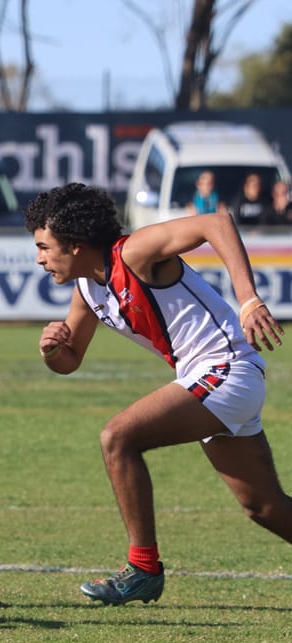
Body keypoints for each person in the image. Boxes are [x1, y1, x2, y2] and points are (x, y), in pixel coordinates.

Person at [27, 182, 290, 606]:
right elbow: (69, 360)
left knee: (118, 437)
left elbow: (216, 223)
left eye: (44, 247)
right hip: (211, 379)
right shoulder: (87, 289)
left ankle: (144, 569)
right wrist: (52, 349)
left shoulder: (132, 253)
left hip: (227, 368)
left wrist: (248, 299)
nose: (39, 258)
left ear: (75, 245)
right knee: (265, 508)